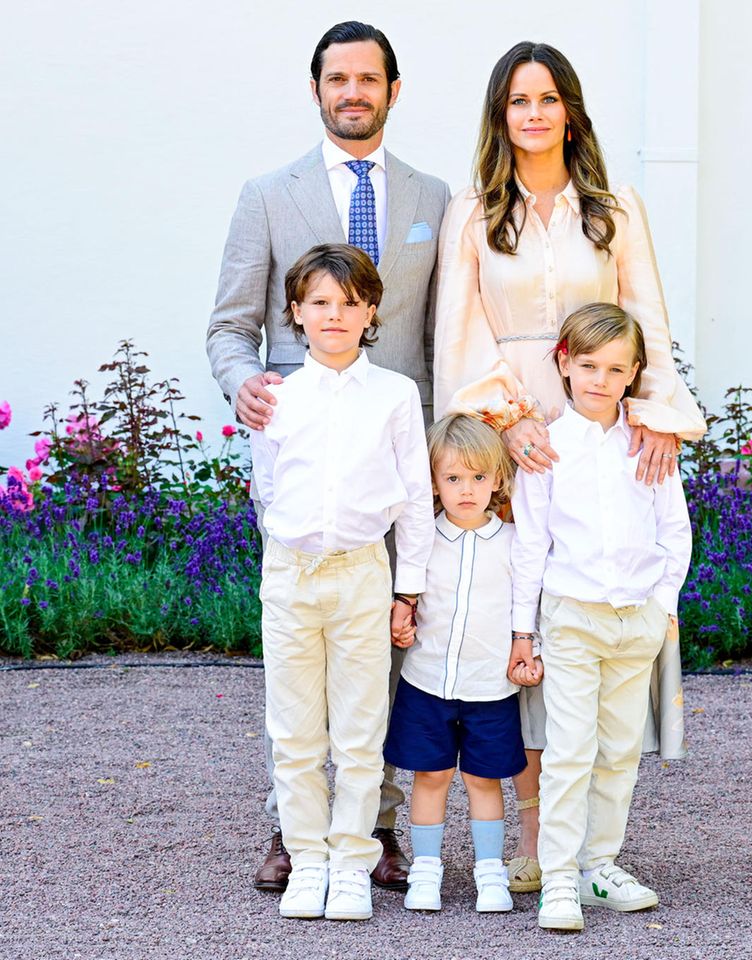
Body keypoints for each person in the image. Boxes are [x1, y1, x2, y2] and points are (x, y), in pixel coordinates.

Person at [433, 40, 706, 892]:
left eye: (549, 98)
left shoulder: (614, 207)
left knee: (597, 633)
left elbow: (647, 323)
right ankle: (529, 842)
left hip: (607, 431)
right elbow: (460, 335)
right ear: (500, 115)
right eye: (519, 100)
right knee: (525, 638)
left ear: (571, 110)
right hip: (519, 439)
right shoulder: (475, 213)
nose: (535, 113)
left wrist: (656, 415)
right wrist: (508, 423)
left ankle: (589, 850)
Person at [206, 20, 450, 892]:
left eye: (369, 78)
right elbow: (231, 325)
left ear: (393, 90)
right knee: (300, 658)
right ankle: (293, 827)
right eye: (337, 78)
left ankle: (374, 826)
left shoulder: (433, 198)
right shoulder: (268, 195)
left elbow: (442, 333)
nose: (353, 92)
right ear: (316, 90)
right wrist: (243, 385)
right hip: (303, 449)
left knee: (388, 644)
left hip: (399, 455)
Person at [250, 244, 434, 921]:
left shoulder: (393, 395)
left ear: (371, 312)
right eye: (320, 303)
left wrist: (406, 590)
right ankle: (307, 858)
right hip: (292, 574)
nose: (335, 315)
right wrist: (291, 551)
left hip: (363, 574)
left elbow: (415, 498)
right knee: (294, 730)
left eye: (349, 303)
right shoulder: (276, 396)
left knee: (361, 730)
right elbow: (268, 490)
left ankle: (353, 858)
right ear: (296, 312)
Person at [510, 303, 692, 931]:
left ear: (634, 372)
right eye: (587, 365)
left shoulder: (648, 444)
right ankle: (557, 876)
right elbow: (530, 543)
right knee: (570, 747)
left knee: (619, 749)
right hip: (571, 618)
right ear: (564, 363)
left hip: (635, 619)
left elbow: (676, 533)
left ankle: (598, 864)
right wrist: (522, 631)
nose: (600, 379)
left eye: (616, 369)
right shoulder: (547, 447)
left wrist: (660, 606)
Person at [383, 415, 533, 914]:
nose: (466, 490)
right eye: (452, 478)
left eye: (477, 477)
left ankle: (489, 874)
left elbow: (529, 607)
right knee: (430, 777)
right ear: (432, 482)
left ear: (497, 480)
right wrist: (400, 620)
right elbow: (408, 598)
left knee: (484, 781)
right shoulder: (421, 542)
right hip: (427, 682)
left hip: (491, 687)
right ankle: (426, 872)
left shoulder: (514, 544)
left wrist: (532, 649)